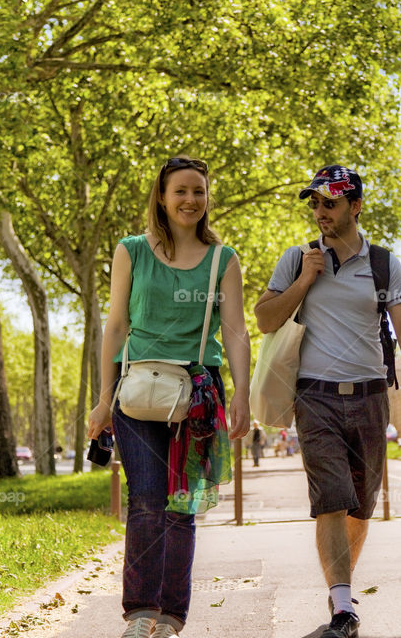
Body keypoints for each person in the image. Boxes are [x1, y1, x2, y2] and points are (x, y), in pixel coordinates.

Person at [254, 164, 401, 638]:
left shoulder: (382, 263)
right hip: (314, 396)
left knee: (360, 507)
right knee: (330, 500)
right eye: (314, 203)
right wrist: (302, 283)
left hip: (372, 395)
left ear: (354, 206)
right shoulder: (297, 259)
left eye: (329, 203)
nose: (320, 212)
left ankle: (341, 590)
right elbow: (265, 320)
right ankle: (342, 606)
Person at [88, 156, 250, 638]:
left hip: (199, 393)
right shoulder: (131, 250)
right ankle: (139, 614)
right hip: (138, 391)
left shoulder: (225, 259)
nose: (190, 200)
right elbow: (115, 325)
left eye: (199, 191)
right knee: (146, 501)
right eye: (180, 191)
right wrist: (103, 397)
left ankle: (171, 617)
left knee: (182, 505)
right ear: (162, 196)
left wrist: (241, 394)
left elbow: (237, 331)